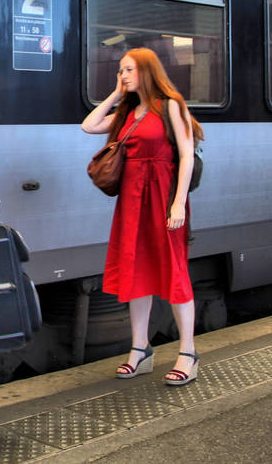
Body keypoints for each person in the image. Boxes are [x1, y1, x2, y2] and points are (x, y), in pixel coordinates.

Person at [81, 47, 204, 387]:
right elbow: (88, 125)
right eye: (120, 70)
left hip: (163, 197)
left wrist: (178, 204)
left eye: (129, 70)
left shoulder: (171, 106)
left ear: (148, 71)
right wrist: (116, 94)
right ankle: (140, 349)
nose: (123, 75)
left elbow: (186, 154)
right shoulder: (127, 112)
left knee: (175, 271)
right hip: (132, 201)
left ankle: (188, 353)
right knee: (136, 271)